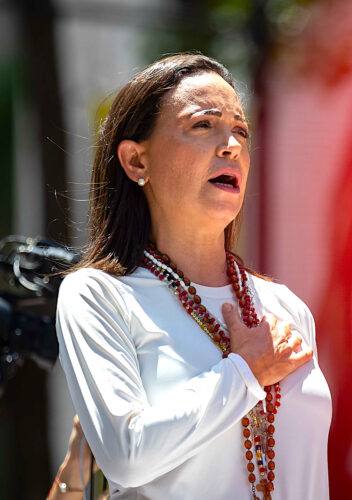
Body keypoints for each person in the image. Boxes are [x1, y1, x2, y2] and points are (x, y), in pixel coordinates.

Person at [54, 53, 332, 500]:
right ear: (136, 162)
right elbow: (128, 455)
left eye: (241, 130)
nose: (233, 146)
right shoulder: (98, 296)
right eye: (204, 125)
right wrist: (244, 371)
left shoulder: (285, 306)